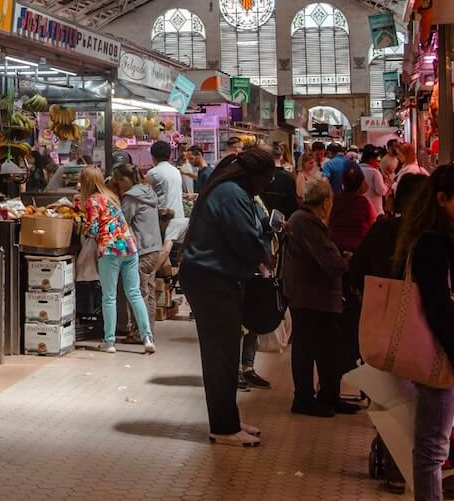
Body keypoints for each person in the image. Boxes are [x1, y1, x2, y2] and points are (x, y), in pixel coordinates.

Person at [393, 164, 454, 501]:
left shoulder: (436, 236)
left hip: (440, 350)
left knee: (433, 446)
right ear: (442, 199)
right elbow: (440, 306)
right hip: (437, 354)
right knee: (432, 450)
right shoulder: (434, 242)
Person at [178, 149, 274, 447]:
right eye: (267, 180)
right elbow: (245, 238)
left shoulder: (230, 190)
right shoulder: (231, 194)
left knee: (226, 352)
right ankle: (223, 427)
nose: (267, 186)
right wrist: (263, 254)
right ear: (255, 176)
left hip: (214, 277)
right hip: (211, 280)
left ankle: (228, 418)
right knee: (221, 354)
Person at [346, 171, 428, 494]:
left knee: (391, 396)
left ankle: (394, 469)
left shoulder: (382, 230)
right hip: (424, 328)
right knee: (427, 400)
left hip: (383, 323)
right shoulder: (433, 237)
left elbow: (355, 273)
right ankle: (437, 472)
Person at [281, 178, 360, 417]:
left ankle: (328, 396)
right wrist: (346, 259)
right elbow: (332, 263)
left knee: (326, 350)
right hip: (311, 296)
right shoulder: (308, 222)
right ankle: (305, 399)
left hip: (310, 295)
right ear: (326, 202)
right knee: (309, 349)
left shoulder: (301, 219)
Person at [81, 167, 155, 355]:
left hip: (110, 249)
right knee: (134, 293)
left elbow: (93, 229)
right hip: (130, 247)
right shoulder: (112, 197)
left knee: (109, 296)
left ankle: (109, 341)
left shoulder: (92, 201)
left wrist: (83, 229)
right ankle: (147, 337)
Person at [116, 161, 161, 348]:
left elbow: (122, 222)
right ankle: (147, 331)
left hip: (141, 250)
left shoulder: (131, 197)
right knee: (148, 292)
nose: (118, 186)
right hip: (154, 248)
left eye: (119, 182)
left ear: (126, 180)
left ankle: (141, 333)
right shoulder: (148, 192)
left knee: (138, 293)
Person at [149, 140, 188, 259]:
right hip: (179, 217)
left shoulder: (153, 173)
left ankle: (151, 274)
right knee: (173, 255)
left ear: (153, 156)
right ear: (169, 155)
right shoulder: (175, 171)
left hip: (165, 219)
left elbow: (145, 195)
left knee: (164, 251)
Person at [328, 162, 376, 254]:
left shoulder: (334, 200)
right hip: (359, 247)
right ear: (360, 183)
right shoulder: (364, 202)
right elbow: (372, 222)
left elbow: (329, 221)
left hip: (336, 246)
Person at [262, 141, 300, 217]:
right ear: (281, 156)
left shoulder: (261, 175)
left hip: (263, 218)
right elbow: (292, 204)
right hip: (283, 219)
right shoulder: (288, 177)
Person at [360, 145, 391, 217]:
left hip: (360, 207)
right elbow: (381, 190)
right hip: (375, 209)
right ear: (371, 159)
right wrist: (387, 185)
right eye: (377, 160)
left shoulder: (357, 169)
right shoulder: (374, 172)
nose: (378, 163)